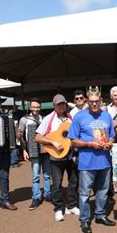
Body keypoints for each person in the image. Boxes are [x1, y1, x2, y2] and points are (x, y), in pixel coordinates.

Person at [69, 86, 117, 233]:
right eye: (91, 102)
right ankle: (84, 220)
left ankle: (100, 215)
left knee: (103, 191)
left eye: (96, 101)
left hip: (104, 161)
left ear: (101, 100)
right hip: (87, 162)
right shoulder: (79, 117)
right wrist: (89, 144)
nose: (94, 104)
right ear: (87, 102)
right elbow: (73, 141)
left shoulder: (106, 116)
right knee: (84, 193)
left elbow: (112, 135)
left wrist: (110, 142)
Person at [36, 94, 79, 222]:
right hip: (56, 156)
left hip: (71, 155)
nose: (62, 106)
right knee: (57, 184)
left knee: (74, 182)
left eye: (63, 104)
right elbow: (38, 137)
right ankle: (58, 209)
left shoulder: (71, 118)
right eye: (59, 104)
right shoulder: (49, 119)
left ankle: (71, 206)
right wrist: (53, 142)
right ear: (54, 105)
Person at [18, 98, 51, 210]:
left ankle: (47, 194)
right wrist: (24, 150)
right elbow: (20, 136)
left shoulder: (44, 118)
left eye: (37, 107)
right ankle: (36, 197)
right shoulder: (24, 120)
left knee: (47, 174)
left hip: (45, 150)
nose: (35, 109)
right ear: (30, 107)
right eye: (33, 107)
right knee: (36, 176)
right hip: (32, 150)